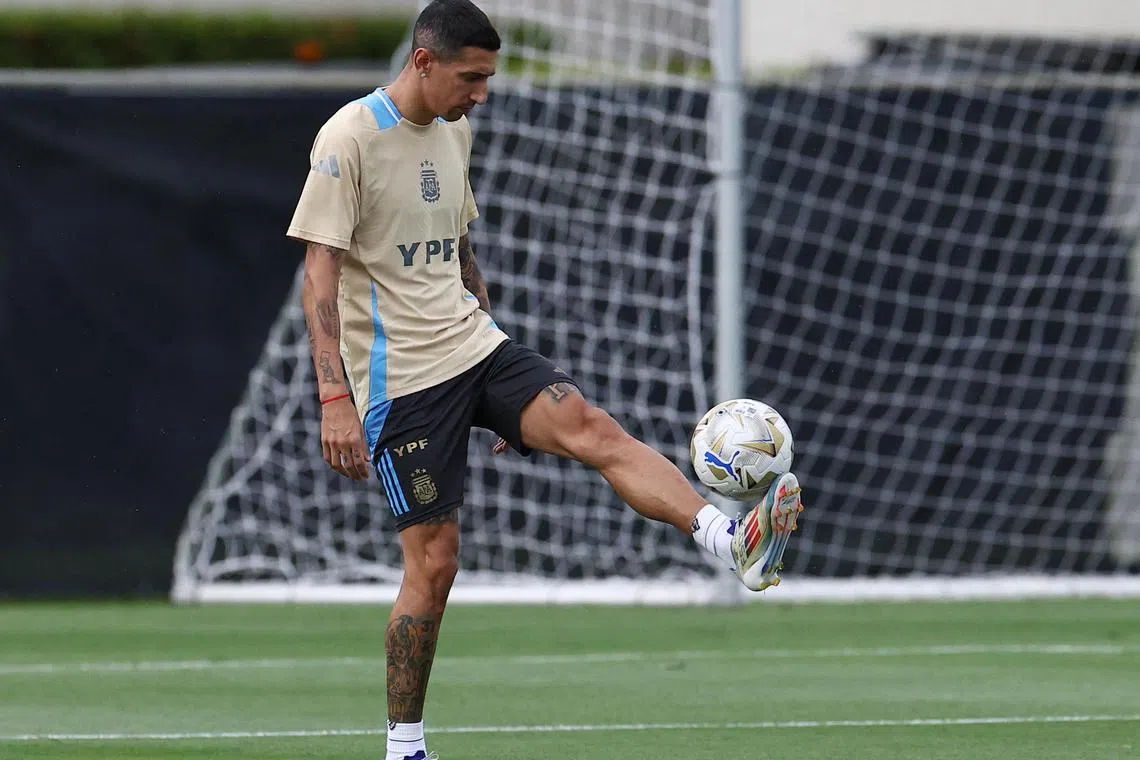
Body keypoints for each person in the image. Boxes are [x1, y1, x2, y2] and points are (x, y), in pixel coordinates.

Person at [287, 2, 803, 758]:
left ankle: (730, 542)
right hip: (402, 385)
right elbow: (319, 272)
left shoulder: (455, 130)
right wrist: (335, 397)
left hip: (475, 348)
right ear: (424, 62)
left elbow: (458, 247)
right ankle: (405, 746)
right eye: (471, 78)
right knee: (435, 565)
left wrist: (495, 384)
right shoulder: (349, 137)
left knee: (592, 426)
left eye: (488, 79)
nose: (481, 94)